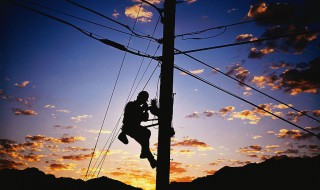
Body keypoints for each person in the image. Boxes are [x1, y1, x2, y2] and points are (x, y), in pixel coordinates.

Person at [118, 91, 157, 169]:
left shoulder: (138, 107)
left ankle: (151, 161)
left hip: (133, 128)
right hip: (129, 127)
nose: (143, 102)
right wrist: (143, 110)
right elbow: (134, 116)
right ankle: (148, 157)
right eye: (143, 100)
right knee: (146, 133)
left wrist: (145, 110)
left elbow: (145, 118)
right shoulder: (131, 105)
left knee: (144, 143)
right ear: (139, 97)